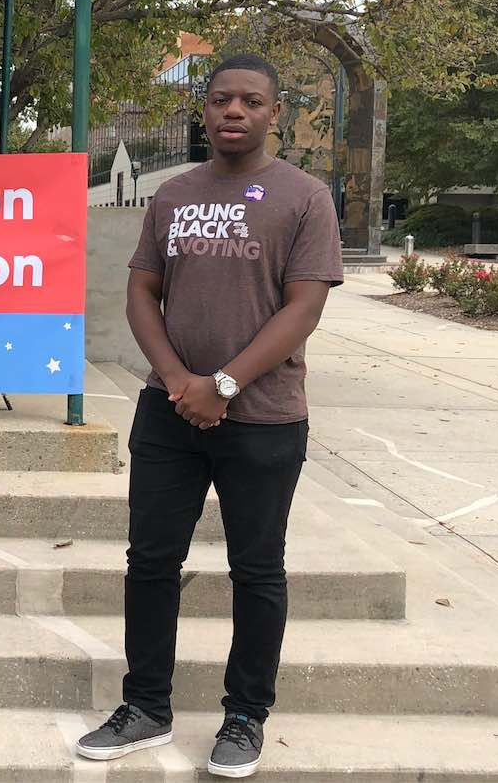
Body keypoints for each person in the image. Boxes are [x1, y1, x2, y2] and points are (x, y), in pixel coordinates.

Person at [76, 54, 344, 778]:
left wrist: (222, 384)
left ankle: (245, 716)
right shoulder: (174, 196)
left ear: (273, 113)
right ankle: (147, 707)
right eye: (221, 99)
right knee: (151, 561)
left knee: (257, 568)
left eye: (251, 101)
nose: (234, 111)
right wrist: (177, 381)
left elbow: (305, 307)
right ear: (204, 111)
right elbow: (142, 293)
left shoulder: (305, 197)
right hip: (169, 413)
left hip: (264, 416)